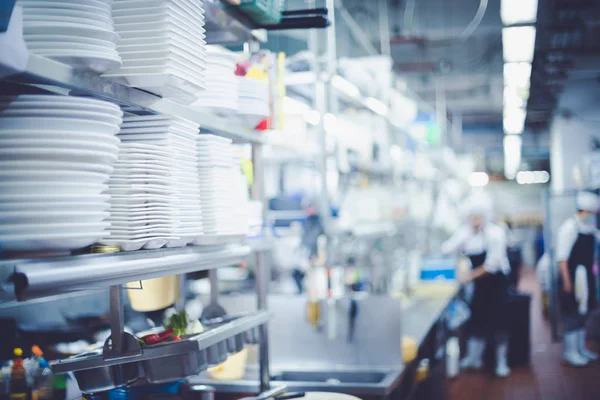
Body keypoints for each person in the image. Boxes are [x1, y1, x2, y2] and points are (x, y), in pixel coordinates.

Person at [442, 196, 511, 377]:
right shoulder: (465, 232)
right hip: (479, 286)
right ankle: (474, 359)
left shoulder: (496, 233)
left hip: (496, 283)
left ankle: (501, 362)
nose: (474, 220)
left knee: (499, 323)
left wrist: (468, 276)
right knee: (477, 320)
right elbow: (448, 247)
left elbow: (492, 265)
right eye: (471, 217)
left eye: (478, 216)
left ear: (485, 216)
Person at [556, 191, 599, 367]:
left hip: (586, 276)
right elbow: (562, 258)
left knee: (583, 312)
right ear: (584, 211)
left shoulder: (589, 227)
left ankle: (580, 349)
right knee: (571, 312)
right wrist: (567, 281)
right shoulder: (569, 227)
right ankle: (570, 352)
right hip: (572, 277)